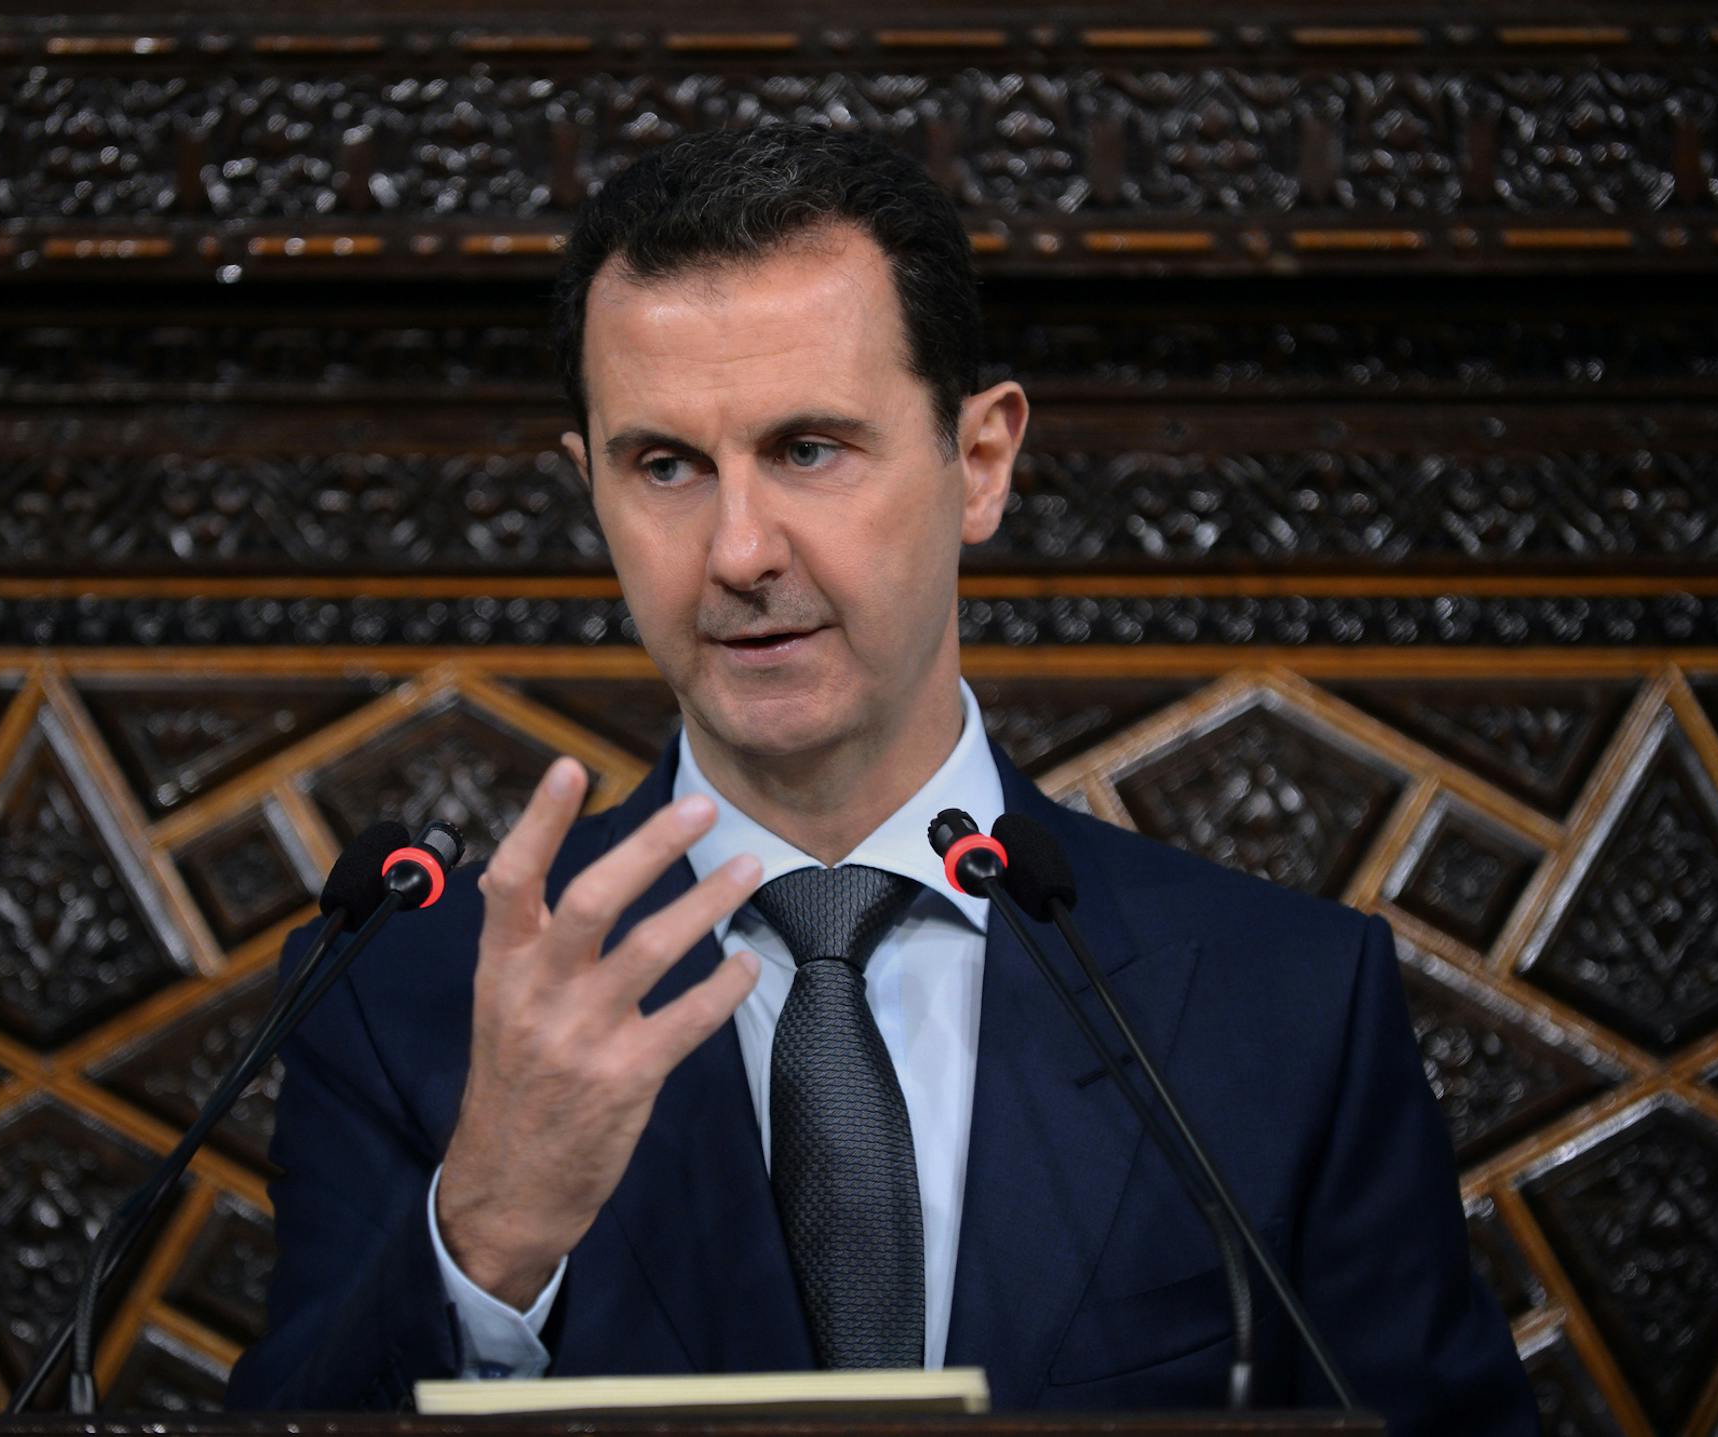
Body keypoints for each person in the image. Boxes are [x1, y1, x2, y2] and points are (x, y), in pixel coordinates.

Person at [225, 123, 1537, 1431]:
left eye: (809, 449)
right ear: (591, 491)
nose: (739, 549)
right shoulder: (402, 1001)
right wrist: (487, 1231)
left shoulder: (1288, 1005)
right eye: (666, 465)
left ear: (980, 462)